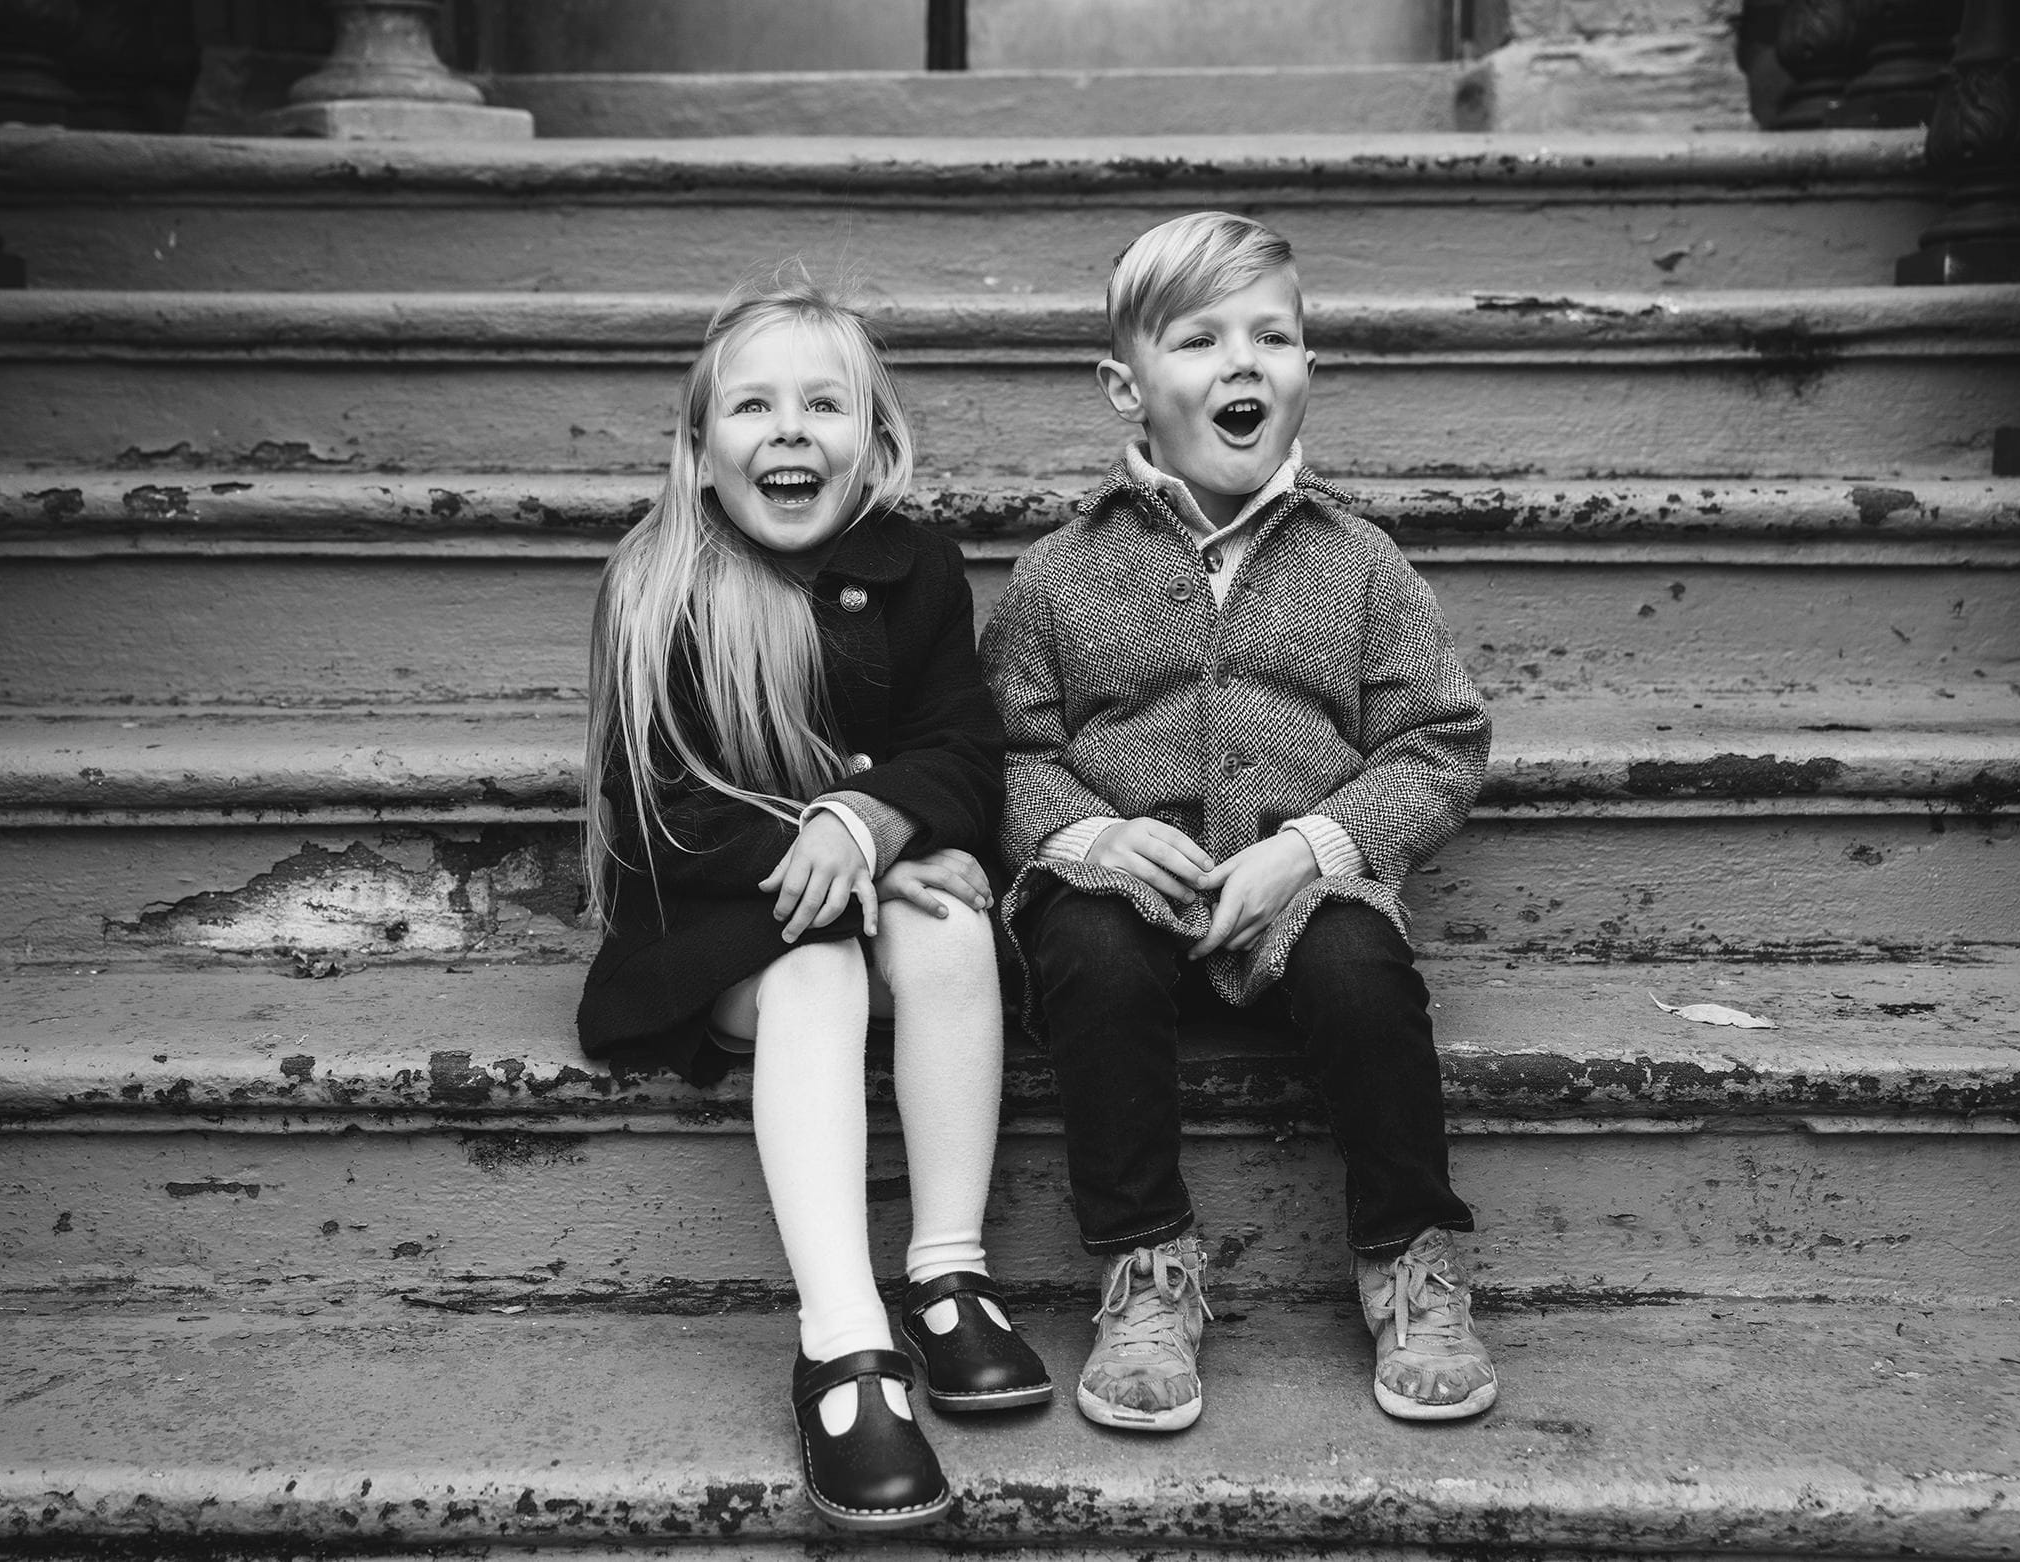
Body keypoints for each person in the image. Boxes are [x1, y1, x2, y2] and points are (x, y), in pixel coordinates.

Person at [979, 211, 1496, 1431]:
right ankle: (1144, 1266)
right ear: (1127, 386)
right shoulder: (1057, 572)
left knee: (1363, 972)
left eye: (1273, 334)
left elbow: (1441, 738)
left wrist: (1311, 848)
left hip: (1299, 881)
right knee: (1092, 960)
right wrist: (1085, 838)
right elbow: (1002, 749)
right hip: (1120, 880)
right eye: (1201, 339)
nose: (1243, 362)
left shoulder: (1361, 564)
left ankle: (1410, 1254)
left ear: (1309, 368)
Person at [577, 276, 1050, 1531]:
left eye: (821, 404)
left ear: (873, 444)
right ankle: (843, 1345)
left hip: (853, 877)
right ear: (697, 451)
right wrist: (831, 847)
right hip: (707, 921)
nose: (787, 430)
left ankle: (947, 1270)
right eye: (750, 405)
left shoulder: (916, 570)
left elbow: (963, 750)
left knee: (950, 921)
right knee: (818, 958)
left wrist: (871, 824)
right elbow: (658, 808)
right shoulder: (655, 583)